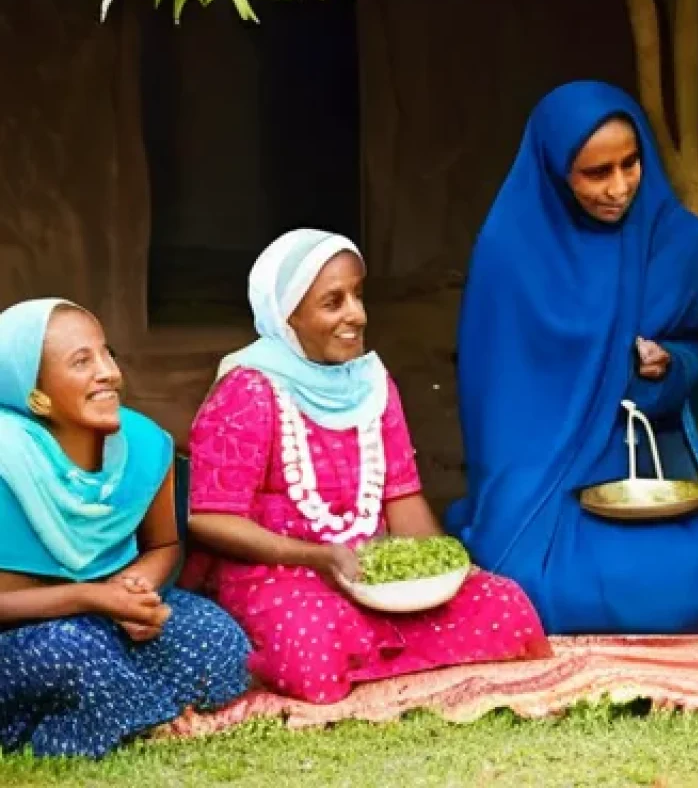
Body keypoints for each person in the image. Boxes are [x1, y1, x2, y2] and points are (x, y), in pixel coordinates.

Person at [183, 230, 549, 705]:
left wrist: (444, 568)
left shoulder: (373, 383)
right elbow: (208, 518)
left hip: (371, 573)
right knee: (311, 648)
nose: (355, 314)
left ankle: (370, 652)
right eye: (332, 302)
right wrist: (315, 557)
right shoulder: (249, 389)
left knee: (504, 606)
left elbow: (402, 499)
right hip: (278, 572)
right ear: (287, 315)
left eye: (358, 295)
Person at [445, 81, 698, 634]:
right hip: (533, 464)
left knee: (678, 596)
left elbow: (697, 349)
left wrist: (668, 366)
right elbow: (495, 403)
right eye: (596, 173)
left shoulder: (677, 240)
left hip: (637, 458)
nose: (619, 187)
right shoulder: (511, 251)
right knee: (525, 590)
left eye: (631, 164)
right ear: (556, 171)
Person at [0, 299, 250, 758]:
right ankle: (109, 718)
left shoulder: (143, 444)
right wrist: (91, 597)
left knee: (218, 636)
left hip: (108, 611)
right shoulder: (6, 460)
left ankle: (121, 709)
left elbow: (164, 544)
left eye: (107, 353)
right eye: (82, 361)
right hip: (26, 631)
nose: (109, 372)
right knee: (73, 653)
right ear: (36, 395)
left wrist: (135, 592)